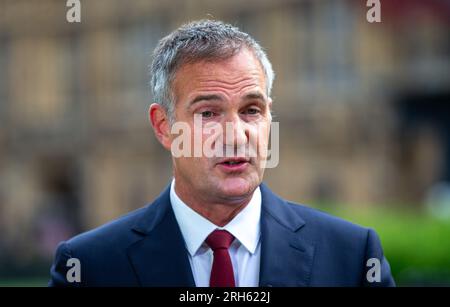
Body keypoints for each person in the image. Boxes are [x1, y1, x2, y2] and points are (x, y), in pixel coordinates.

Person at [49, 20, 395, 287]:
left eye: (252, 110)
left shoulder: (352, 257)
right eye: (209, 113)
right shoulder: (90, 266)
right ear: (163, 125)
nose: (235, 134)